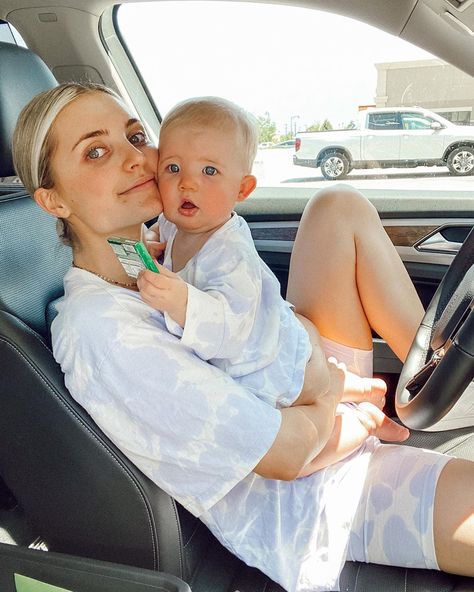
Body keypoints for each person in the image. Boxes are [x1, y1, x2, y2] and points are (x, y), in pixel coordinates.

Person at [12, 82, 474, 592]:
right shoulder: (103, 335)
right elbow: (285, 455)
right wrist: (331, 393)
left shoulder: (144, 252)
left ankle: (443, 378)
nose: (136, 159)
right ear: (52, 199)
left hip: (285, 383)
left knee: (337, 206)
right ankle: (430, 396)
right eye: (96, 151)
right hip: (313, 494)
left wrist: (308, 351)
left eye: (137, 136)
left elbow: (253, 323)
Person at [137, 95, 408, 472]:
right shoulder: (172, 226)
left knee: (322, 421)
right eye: (172, 167)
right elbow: (160, 241)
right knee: (329, 385)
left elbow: (230, 327)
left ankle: (365, 422)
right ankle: (362, 394)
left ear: (243, 189)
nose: (187, 183)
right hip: (264, 358)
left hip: (274, 365)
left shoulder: (231, 253)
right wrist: (149, 244)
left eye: (209, 171)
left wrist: (183, 301)